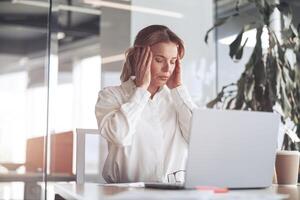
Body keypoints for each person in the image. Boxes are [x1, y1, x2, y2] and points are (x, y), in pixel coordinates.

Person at [95, 25, 197, 183]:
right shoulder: (111, 96)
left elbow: (197, 139)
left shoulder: (176, 99)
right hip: (125, 193)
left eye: (172, 61)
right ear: (139, 58)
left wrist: (178, 89)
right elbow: (120, 136)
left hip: (174, 194)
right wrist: (142, 89)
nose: (167, 69)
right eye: (159, 60)